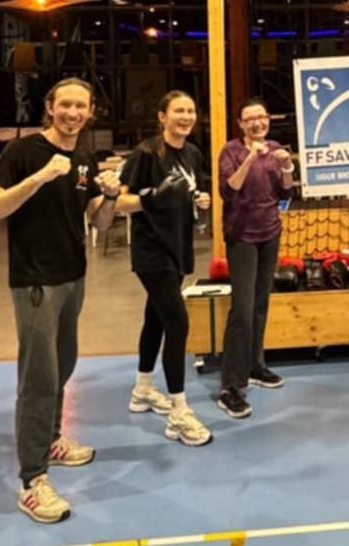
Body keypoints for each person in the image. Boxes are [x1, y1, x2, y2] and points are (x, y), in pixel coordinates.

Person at [0, 77, 121, 524]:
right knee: (38, 379)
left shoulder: (83, 156)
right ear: (50, 107)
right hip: (35, 280)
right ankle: (32, 480)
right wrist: (39, 178)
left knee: (63, 364)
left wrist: (112, 196)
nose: (73, 113)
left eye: (81, 106)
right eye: (65, 105)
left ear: (90, 110)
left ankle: (52, 440)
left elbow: (96, 218)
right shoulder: (22, 154)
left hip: (73, 276)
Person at [116, 90, 213, 447]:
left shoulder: (192, 154)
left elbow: (187, 194)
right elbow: (120, 203)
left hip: (178, 246)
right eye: (178, 111)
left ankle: (142, 390)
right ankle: (179, 412)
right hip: (151, 249)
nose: (185, 117)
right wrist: (151, 196)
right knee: (178, 321)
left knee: (155, 317)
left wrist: (197, 199)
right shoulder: (146, 153)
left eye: (190, 110)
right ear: (162, 116)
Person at [215, 98, 294, 418]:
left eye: (262, 117)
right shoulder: (230, 151)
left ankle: (255, 366)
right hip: (241, 237)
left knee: (261, 303)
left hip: (270, 233)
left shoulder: (274, 149)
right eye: (250, 119)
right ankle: (229, 386)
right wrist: (250, 156)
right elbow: (229, 189)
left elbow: (286, 193)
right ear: (241, 124)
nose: (257, 123)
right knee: (242, 309)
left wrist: (287, 167)